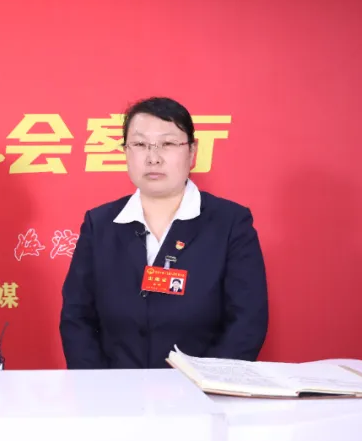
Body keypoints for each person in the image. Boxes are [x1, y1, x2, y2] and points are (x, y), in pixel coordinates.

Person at [60, 96, 267, 368]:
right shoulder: (100, 225)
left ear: (192, 151)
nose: (153, 158)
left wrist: (204, 383)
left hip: (202, 390)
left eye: (167, 144)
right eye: (140, 144)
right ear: (126, 151)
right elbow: (76, 318)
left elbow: (247, 322)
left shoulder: (230, 224)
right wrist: (102, 386)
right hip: (114, 389)